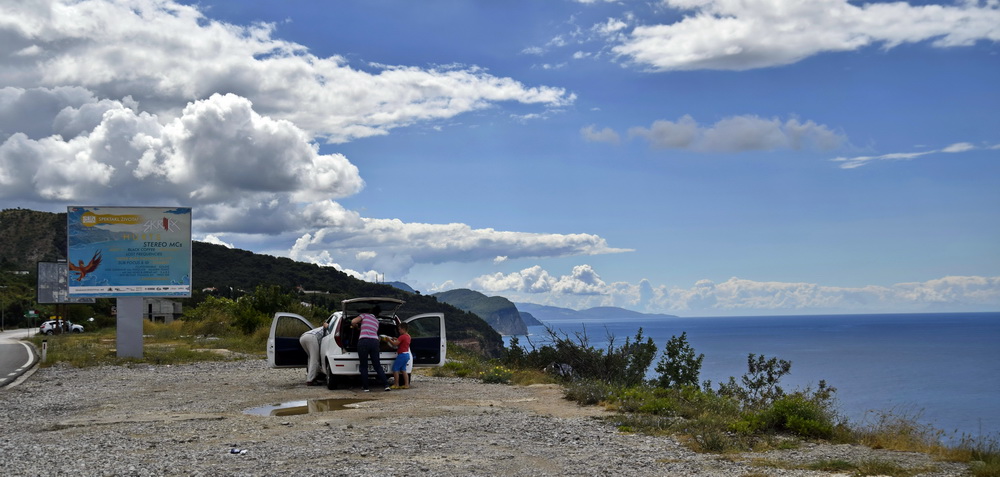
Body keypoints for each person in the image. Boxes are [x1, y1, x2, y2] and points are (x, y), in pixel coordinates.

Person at [351, 306, 390, 392]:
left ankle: (366, 387)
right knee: (377, 365)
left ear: (370, 311)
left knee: (364, 365)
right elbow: (372, 331)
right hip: (375, 342)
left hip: (364, 341)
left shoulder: (364, 315)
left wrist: (356, 326)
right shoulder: (376, 321)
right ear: (377, 314)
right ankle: (386, 385)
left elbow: (353, 321)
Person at [299, 320, 328, 386]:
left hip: (303, 337)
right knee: (314, 360)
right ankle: (310, 380)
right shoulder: (330, 328)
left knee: (311, 358)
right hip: (312, 338)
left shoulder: (322, 328)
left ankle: (311, 376)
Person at [387, 322, 412, 389]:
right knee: (403, 370)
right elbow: (401, 342)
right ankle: (406, 384)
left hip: (401, 355)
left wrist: (389, 340)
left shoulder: (402, 336)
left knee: (395, 369)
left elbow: (395, 344)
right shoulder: (408, 336)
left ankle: (396, 384)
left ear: (403, 329)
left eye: (399, 329)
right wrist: (396, 339)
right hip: (407, 355)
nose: (399, 331)